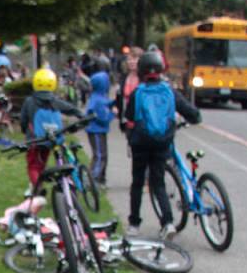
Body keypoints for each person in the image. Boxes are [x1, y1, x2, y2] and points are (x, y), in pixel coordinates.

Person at [124, 51, 201, 238]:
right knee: (158, 183)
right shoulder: (169, 91)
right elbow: (193, 114)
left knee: (138, 182)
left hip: (140, 143)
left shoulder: (138, 93)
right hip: (163, 143)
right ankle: (167, 222)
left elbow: (129, 115)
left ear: (141, 71)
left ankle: (134, 223)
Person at [19, 67, 83, 189]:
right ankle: (42, 184)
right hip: (51, 138)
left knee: (33, 165)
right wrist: (80, 115)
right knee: (42, 163)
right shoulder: (54, 100)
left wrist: (24, 131)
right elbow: (69, 108)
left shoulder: (29, 101)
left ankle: (38, 188)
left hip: (34, 139)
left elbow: (23, 120)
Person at [84, 68, 115, 186]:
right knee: (99, 155)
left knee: (102, 154)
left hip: (98, 130)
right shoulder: (99, 100)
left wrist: (112, 103)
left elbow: (105, 104)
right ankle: (92, 179)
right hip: (96, 130)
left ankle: (101, 177)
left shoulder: (98, 96)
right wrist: (113, 114)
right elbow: (102, 118)